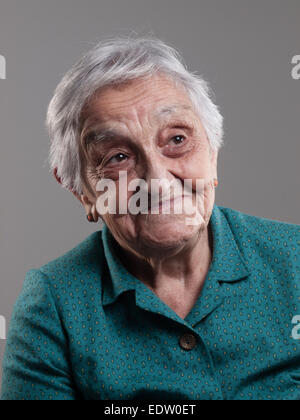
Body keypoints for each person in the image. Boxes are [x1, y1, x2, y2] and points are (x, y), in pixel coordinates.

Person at [1, 36, 300, 400]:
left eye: (176, 139)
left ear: (213, 154)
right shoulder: (51, 306)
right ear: (82, 192)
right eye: (117, 158)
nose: (157, 182)